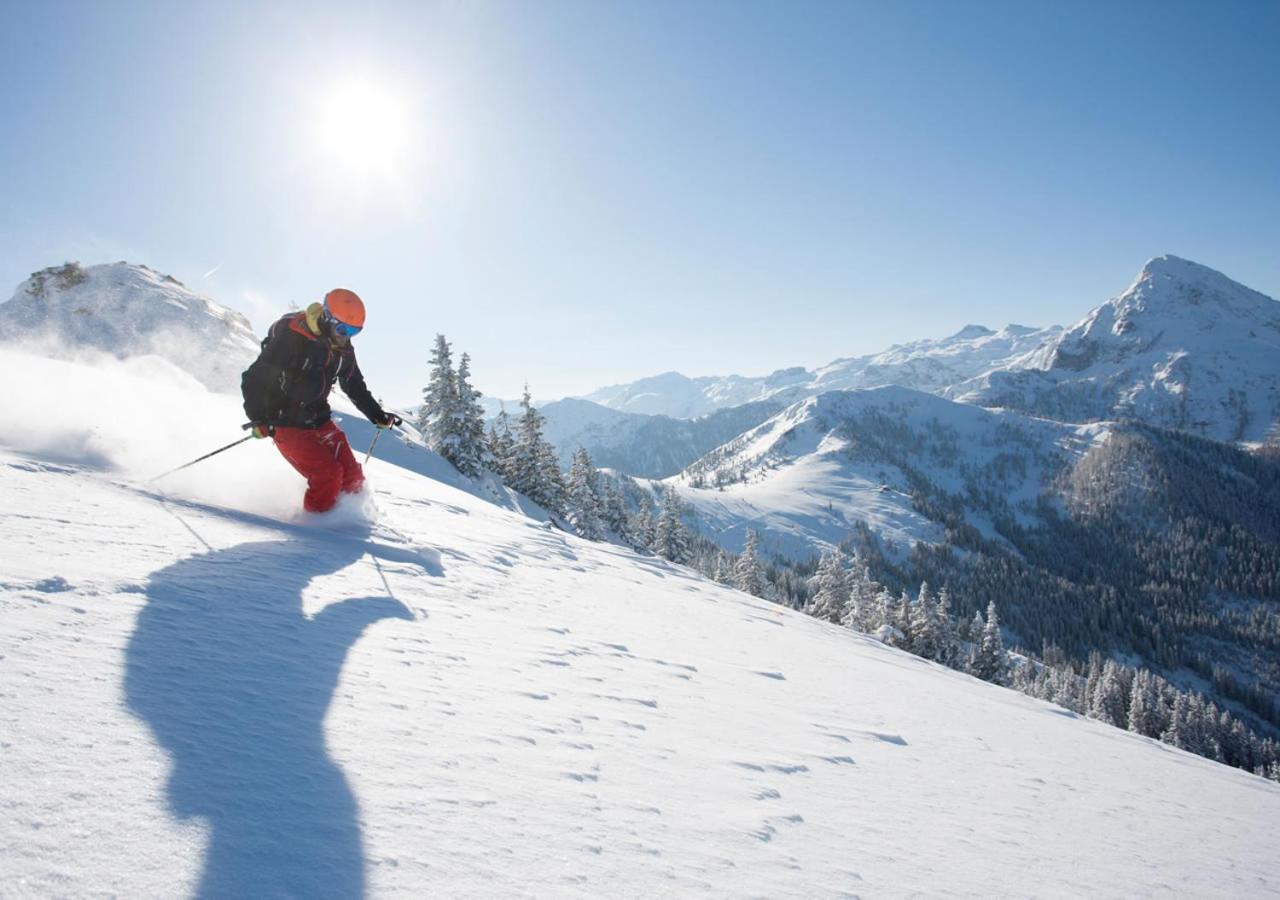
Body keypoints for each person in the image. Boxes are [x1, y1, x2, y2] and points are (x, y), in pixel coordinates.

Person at [241, 288, 402, 513]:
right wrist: (258, 417)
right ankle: (318, 532)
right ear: (327, 317)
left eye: (354, 331)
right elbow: (254, 378)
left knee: (352, 476)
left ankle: (349, 523)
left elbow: (353, 384)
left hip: (318, 418)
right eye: (342, 329)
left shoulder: (343, 350)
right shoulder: (293, 339)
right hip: (285, 421)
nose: (346, 336)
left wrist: (377, 415)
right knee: (328, 475)